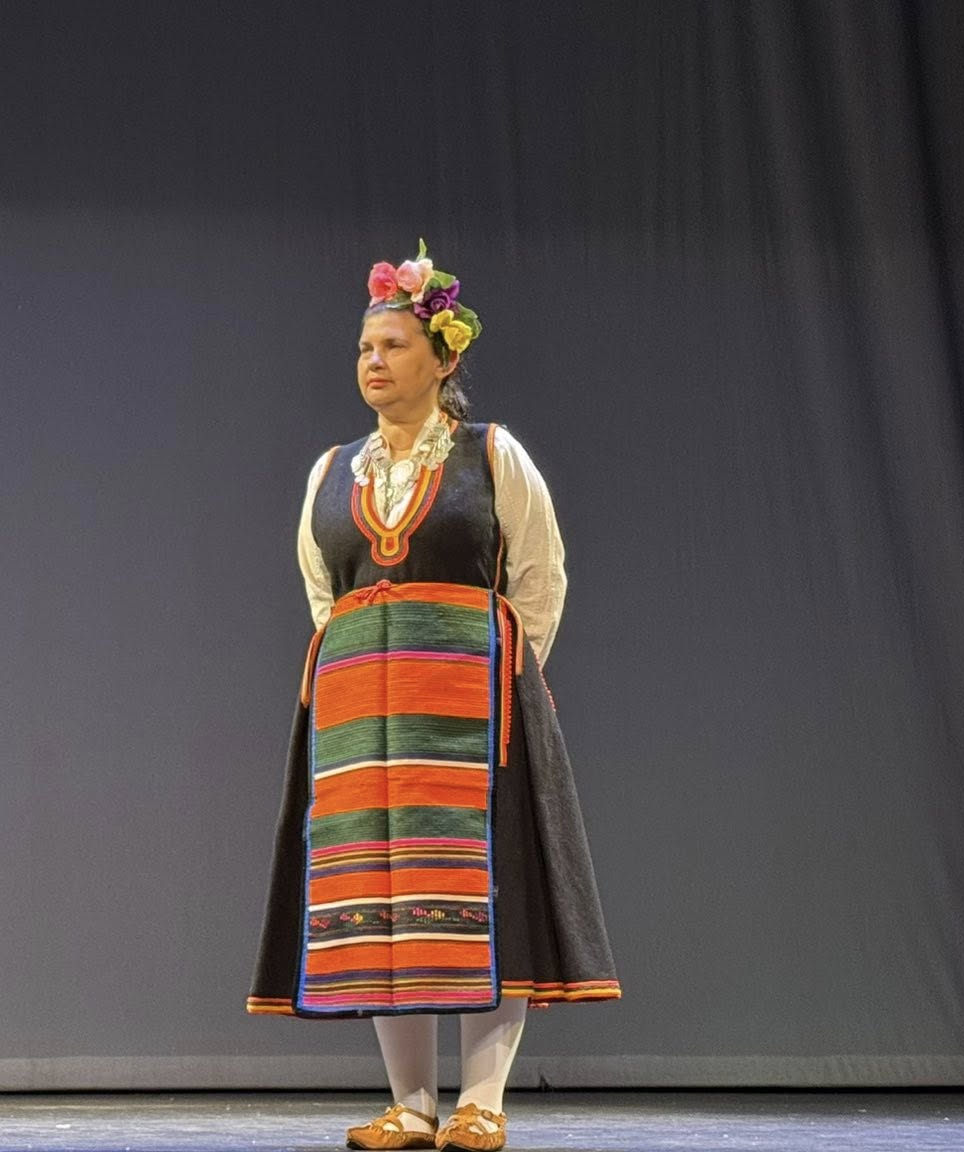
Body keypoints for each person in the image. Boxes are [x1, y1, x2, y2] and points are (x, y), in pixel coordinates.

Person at [246, 244, 619, 1151]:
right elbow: (323, 593)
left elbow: (540, 580)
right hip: (360, 717)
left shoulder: (492, 455)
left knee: (479, 884)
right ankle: (411, 1105)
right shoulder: (333, 470)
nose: (373, 361)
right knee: (381, 892)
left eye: (393, 346)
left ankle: (482, 1101)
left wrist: (500, 677)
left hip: (471, 711)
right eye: (364, 348)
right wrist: (366, 659)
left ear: (444, 358)